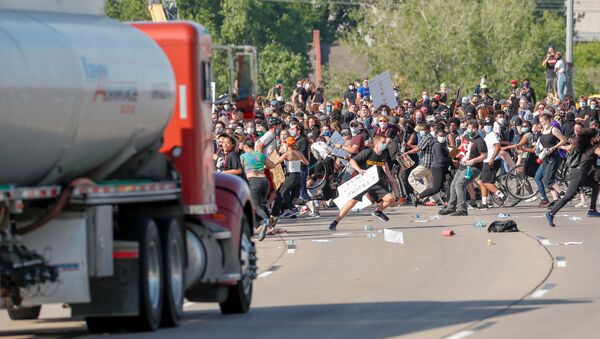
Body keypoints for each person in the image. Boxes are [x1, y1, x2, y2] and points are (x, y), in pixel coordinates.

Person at [329, 134, 400, 231]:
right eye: (383, 143)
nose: (385, 145)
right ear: (376, 143)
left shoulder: (383, 154)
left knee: (390, 199)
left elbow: (385, 166)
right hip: (364, 181)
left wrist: (390, 177)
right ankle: (335, 222)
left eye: (385, 143)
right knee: (352, 202)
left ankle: (378, 211)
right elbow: (353, 161)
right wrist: (359, 170)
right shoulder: (367, 152)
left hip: (376, 182)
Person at [545, 129, 600, 226]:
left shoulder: (586, 146)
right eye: (597, 136)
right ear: (593, 138)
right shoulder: (593, 147)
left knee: (595, 186)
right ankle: (550, 213)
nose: (599, 137)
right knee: (568, 196)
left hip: (580, 173)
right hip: (578, 173)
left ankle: (592, 210)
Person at [439, 120, 487, 216]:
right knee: (453, 185)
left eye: (473, 128)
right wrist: (454, 156)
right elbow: (461, 148)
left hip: (473, 168)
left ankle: (462, 209)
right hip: (462, 166)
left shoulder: (480, 141)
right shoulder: (465, 137)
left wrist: (473, 160)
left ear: (476, 129)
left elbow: (484, 155)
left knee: (459, 185)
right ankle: (451, 207)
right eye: (469, 128)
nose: (471, 130)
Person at [269, 137, 310, 227]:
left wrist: (270, 161)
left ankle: (274, 216)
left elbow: (274, 164)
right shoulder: (299, 153)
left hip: (291, 176)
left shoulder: (287, 154)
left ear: (287, 144)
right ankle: (306, 203)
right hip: (299, 176)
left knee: (279, 196)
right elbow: (306, 163)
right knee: (294, 198)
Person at [240, 139, 275, 241]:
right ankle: (268, 225)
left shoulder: (243, 156)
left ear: (246, 147)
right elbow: (272, 165)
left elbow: (240, 169)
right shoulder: (260, 155)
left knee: (257, 207)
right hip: (265, 181)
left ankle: (265, 223)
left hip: (253, 181)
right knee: (261, 204)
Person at [534, 113, 566, 208]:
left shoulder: (554, 129)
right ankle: (556, 200)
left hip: (554, 156)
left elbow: (563, 140)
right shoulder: (543, 130)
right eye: (540, 122)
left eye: (543, 121)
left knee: (549, 179)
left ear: (548, 120)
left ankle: (562, 194)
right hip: (545, 156)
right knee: (544, 178)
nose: (542, 123)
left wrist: (554, 147)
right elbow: (542, 142)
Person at [413, 127, 451, 205]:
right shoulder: (437, 145)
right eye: (440, 136)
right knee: (436, 188)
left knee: (449, 184)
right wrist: (451, 159)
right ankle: (418, 197)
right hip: (438, 168)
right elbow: (441, 159)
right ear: (436, 136)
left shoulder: (442, 144)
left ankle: (448, 202)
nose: (442, 137)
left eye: (443, 135)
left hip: (442, 167)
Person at [477, 121, 505, 209]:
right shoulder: (487, 136)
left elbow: (498, 146)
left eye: (489, 125)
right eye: (485, 125)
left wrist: (492, 158)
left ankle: (502, 195)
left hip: (491, 161)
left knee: (487, 182)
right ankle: (484, 203)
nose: (487, 127)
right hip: (486, 161)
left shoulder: (492, 135)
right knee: (481, 182)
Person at [404, 123, 434, 201]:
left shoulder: (426, 137)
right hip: (432, 165)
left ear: (427, 130)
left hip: (426, 164)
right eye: (420, 130)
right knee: (429, 184)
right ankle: (434, 200)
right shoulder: (432, 138)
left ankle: (425, 193)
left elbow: (417, 149)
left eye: (422, 130)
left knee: (411, 177)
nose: (421, 132)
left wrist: (407, 152)